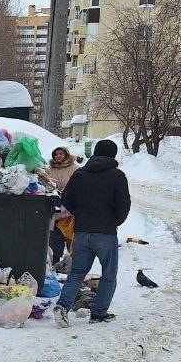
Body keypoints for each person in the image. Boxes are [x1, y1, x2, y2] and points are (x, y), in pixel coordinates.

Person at [54, 139, 130, 327]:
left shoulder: (80, 174)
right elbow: (124, 204)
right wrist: (114, 221)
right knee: (109, 274)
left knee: (77, 272)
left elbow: (66, 199)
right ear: (112, 155)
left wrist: (80, 214)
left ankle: (62, 307)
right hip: (105, 232)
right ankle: (98, 313)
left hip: (81, 232)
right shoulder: (117, 176)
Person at [46, 146, 82, 265]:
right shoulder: (49, 170)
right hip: (55, 211)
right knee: (54, 239)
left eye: (61, 153)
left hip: (71, 211)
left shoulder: (75, 169)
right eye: (56, 154)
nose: (58, 156)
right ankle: (54, 264)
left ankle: (73, 266)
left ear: (66, 155)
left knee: (71, 240)